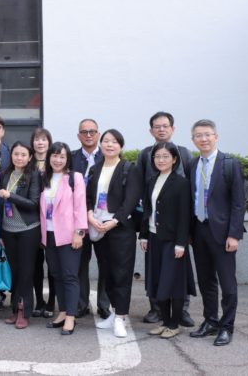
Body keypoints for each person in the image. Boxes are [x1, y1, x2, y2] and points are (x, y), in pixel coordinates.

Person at [188, 119, 246, 347]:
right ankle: (210, 321)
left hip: (223, 234)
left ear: (216, 137)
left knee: (228, 283)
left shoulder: (230, 164)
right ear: (193, 139)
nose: (203, 139)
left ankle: (226, 327)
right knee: (206, 281)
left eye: (207, 134)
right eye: (198, 135)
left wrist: (234, 235)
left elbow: (239, 203)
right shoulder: (193, 164)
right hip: (199, 230)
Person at [135, 111, 194, 326]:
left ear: (173, 129)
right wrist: (143, 231)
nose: (161, 129)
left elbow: (190, 190)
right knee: (155, 270)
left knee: (178, 271)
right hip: (153, 225)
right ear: (151, 130)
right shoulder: (145, 154)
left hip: (176, 226)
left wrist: (186, 233)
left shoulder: (184, 153)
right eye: (157, 126)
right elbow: (140, 188)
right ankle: (156, 309)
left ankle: (182, 311)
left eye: (165, 126)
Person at [88, 129, 142, 338]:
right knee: (107, 273)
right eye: (106, 141)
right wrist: (90, 215)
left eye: (114, 142)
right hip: (98, 226)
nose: (109, 145)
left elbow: (130, 200)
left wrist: (114, 221)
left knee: (122, 274)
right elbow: (89, 197)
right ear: (101, 144)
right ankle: (112, 312)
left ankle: (120, 317)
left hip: (120, 228)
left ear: (121, 146)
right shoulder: (95, 169)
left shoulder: (129, 169)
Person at [40, 142, 87, 335]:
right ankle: (63, 311)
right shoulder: (44, 177)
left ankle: (71, 316)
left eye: (62, 156)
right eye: (54, 155)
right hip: (49, 234)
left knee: (69, 276)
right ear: (49, 157)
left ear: (68, 159)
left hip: (69, 235)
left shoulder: (74, 178)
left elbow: (80, 206)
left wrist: (79, 232)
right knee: (56, 275)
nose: (58, 160)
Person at [0, 141, 41, 329]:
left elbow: (33, 203)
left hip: (28, 230)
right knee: (14, 272)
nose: (19, 158)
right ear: (11, 156)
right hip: (8, 230)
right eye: (16, 154)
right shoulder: (5, 174)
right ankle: (15, 309)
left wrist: (11, 196)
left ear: (30, 157)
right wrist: (0, 232)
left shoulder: (34, 175)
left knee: (26, 272)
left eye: (23, 155)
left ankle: (24, 311)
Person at [70, 118, 110, 320]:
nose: (88, 135)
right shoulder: (71, 158)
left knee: (106, 262)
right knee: (80, 263)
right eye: (84, 132)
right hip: (78, 218)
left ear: (98, 134)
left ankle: (104, 304)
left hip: (103, 218)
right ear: (78, 135)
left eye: (92, 131)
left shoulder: (108, 156)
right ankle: (81, 303)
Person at [31, 127, 55, 318]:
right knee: (36, 264)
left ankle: (52, 301)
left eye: (44, 139)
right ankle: (39, 300)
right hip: (33, 220)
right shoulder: (27, 162)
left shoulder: (55, 162)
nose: (40, 143)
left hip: (53, 220)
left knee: (53, 263)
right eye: (37, 139)